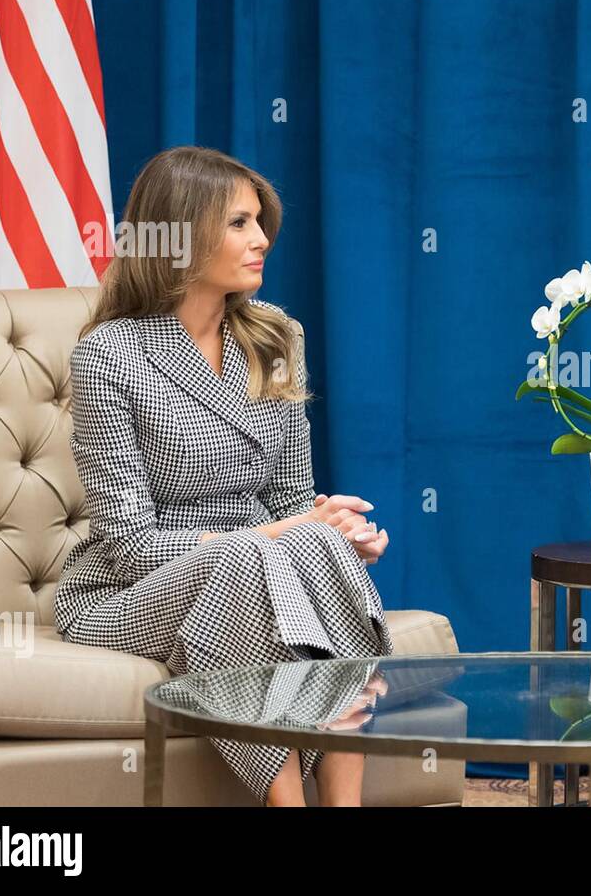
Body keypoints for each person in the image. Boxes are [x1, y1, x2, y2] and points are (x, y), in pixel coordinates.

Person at [54, 146, 393, 806]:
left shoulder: (276, 338)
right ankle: (285, 801)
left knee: (303, 542)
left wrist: (336, 531)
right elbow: (130, 547)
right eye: (239, 223)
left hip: (254, 569)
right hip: (126, 593)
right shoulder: (109, 355)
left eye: (259, 221)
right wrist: (287, 532)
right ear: (179, 234)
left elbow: (292, 499)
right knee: (249, 551)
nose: (262, 238)